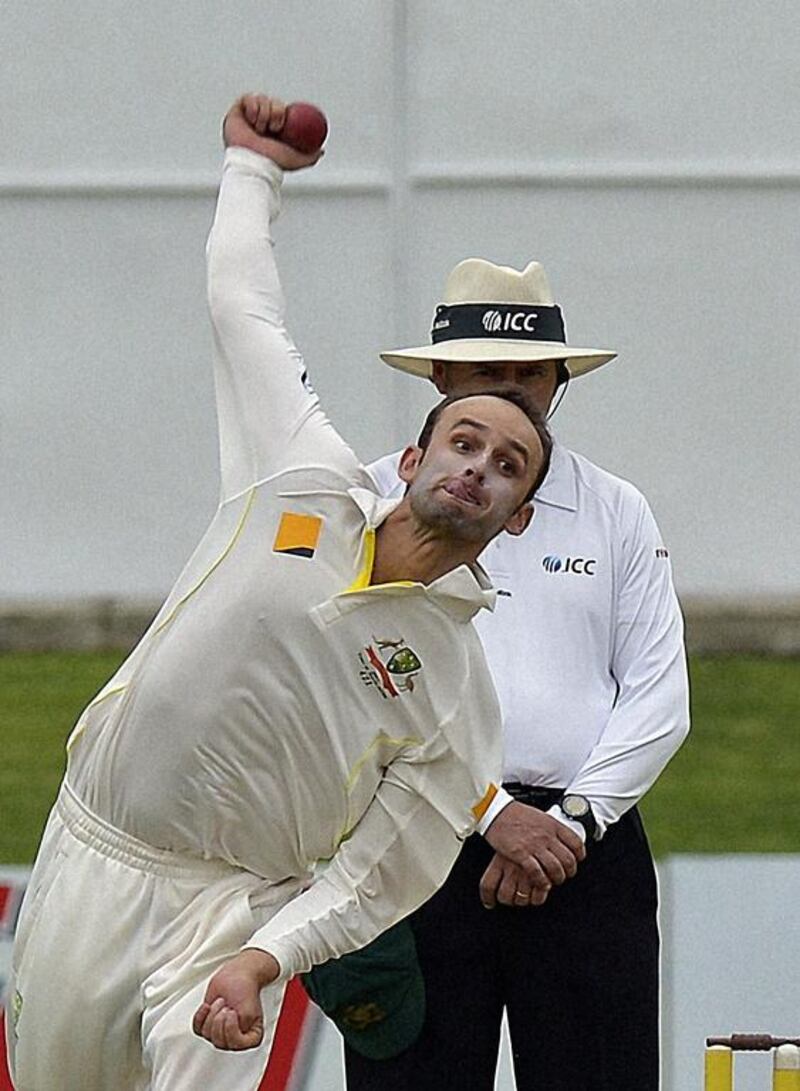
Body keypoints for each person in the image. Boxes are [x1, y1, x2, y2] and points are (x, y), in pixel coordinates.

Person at [5, 93, 581, 1091]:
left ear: (518, 514)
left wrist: (263, 956)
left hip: (234, 914)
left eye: (509, 463)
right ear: (411, 456)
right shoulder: (301, 474)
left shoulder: (451, 687)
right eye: (464, 441)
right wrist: (253, 171)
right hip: (99, 852)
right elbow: (243, 311)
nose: (480, 466)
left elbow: (374, 883)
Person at [341, 259, 691, 1089]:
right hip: (411, 845)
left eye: (530, 372)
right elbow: (347, 691)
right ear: (438, 377)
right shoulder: (362, 501)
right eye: (484, 371)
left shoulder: (615, 509)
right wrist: (489, 810)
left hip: (582, 851)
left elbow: (658, 697)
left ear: (560, 378)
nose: (512, 391)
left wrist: (570, 822)